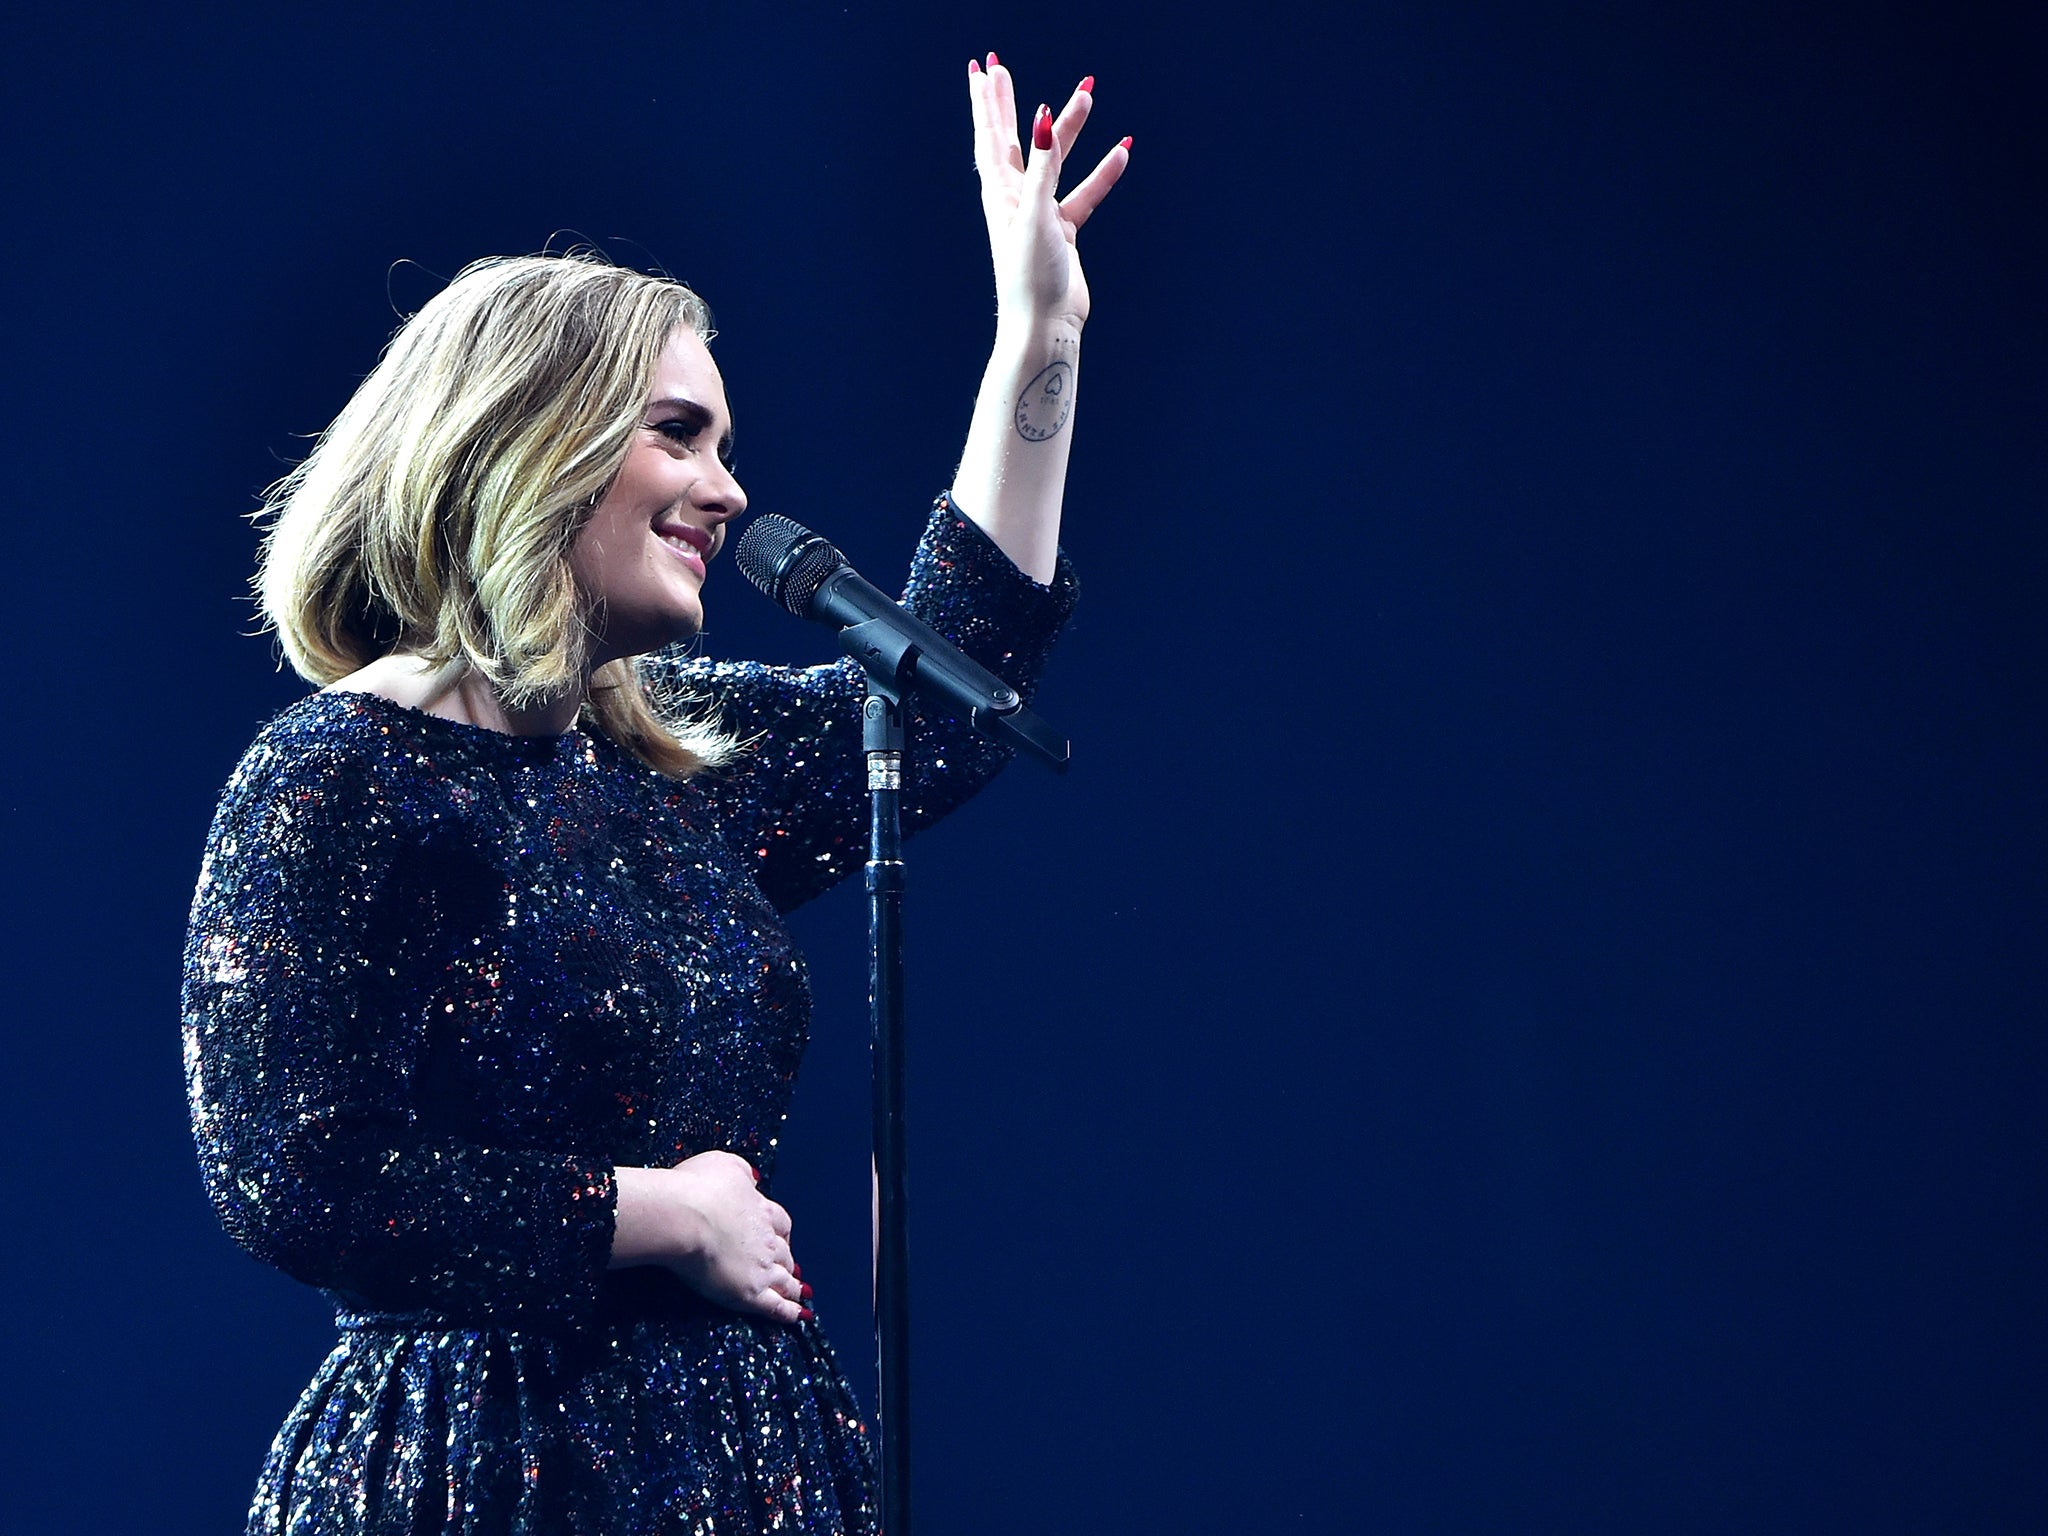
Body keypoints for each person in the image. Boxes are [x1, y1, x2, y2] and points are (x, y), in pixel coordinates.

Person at [182, 56, 1126, 1535]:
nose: (730, 489)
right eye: (678, 434)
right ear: (525, 445)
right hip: (481, 1471)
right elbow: (294, 1178)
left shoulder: (669, 768)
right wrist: (663, 1212)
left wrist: (1038, 334)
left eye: (724, 447)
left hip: (743, 1459)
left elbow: (944, 696)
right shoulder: (336, 776)